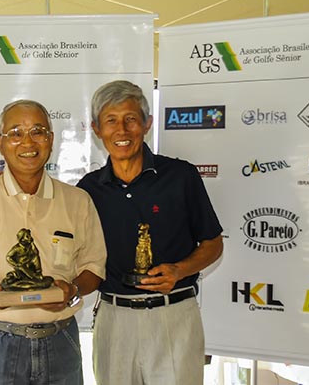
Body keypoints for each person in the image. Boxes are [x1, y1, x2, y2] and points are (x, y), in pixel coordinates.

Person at [0, 99, 107, 385]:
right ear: (0, 142)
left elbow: (94, 266)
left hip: (61, 339)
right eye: (16, 133)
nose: (27, 142)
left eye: (38, 131)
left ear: (51, 139)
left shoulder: (77, 200)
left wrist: (72, 290)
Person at [77, 80, 224, 385]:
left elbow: (213, 243)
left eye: (131, 119)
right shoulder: (87, 190)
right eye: (111, 120)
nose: (122, 130)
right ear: (96, 128)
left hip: (174, 316)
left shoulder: (181, 176)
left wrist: (180, 269)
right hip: (114, 320)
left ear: (147, 124)